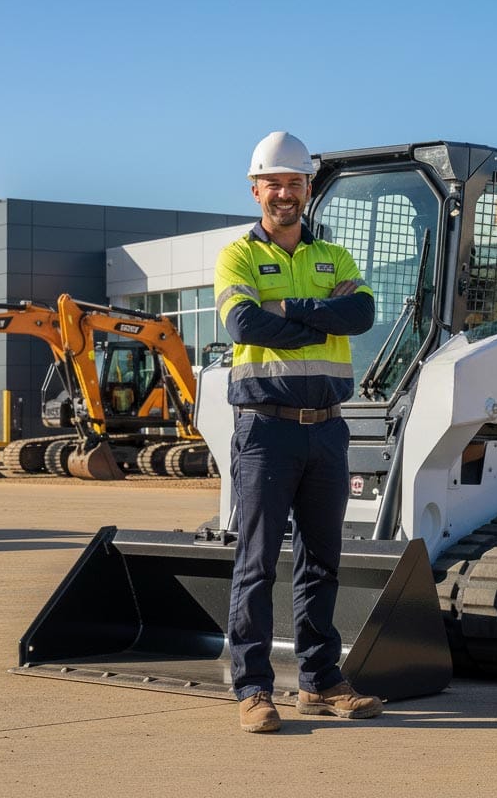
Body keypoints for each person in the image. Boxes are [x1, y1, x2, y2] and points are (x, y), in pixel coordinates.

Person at [214, 130, 381, 734]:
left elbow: (361, 314)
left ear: (308, 188)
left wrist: (287, 311)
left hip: (328, 432)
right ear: (256, 189)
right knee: (256, 563)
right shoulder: (236, 256)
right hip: (265, 431)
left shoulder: (334, 255)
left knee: (322, 561)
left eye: (295, 182)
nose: (285, 193)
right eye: (274, 183)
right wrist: (318, 315)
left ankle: (321, 681)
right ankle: (254, 690)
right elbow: (242, 323)